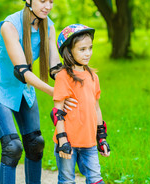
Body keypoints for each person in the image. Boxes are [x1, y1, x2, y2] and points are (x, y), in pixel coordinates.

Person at [0, 0, 76, 184]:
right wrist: (55, 92)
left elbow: (54, 65)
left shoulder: (48, 25)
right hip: (0, 87)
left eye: (51, 1)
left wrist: (72, 83)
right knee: (12, 147)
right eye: (43, 0)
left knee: (35, 144)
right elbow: (22, 71)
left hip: (25, 90)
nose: (48, 6)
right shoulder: (10, 25)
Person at [50, 24, 111, 184]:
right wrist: (62, 139)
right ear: (69, 51)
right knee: (67, 180)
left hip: (89, 141)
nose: (88, 53)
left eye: (90, 48)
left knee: (96, 179)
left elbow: (96, 108)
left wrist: (101, 137)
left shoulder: (93, 77)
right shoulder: (63, 76)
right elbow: (57, 112)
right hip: (68, 141)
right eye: (82, 49)